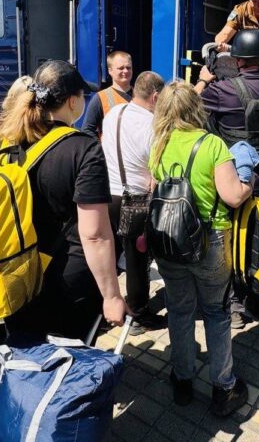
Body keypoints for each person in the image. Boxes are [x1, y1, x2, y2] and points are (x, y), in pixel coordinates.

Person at [0, 60, 127, 340]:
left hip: (17, 268)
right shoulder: (84, 149)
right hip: (68, 277)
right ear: (72, 101)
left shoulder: (10, 141)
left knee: (25, 349)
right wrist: (112, 295)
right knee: (68, 361)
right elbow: (94, 234)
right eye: (82, 95)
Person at [149, 81, 252, 417]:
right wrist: (248, 179)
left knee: (179, 311)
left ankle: (182, 380)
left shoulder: (159, 145)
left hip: (170, 242)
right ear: (197, 108)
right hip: (210, 242)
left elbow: (155, 194)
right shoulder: (213, 146)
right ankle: (223, 387)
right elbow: (233, 196)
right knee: (216, 313)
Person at [196, 28, 259, 329]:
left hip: (237, 180)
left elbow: (191, 107)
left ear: (237, 60)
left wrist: (204, 78)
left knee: (233, 242)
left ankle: (235, 307)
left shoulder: (223, 90)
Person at [101, 71, 165, 336]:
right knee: (137, 260)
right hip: (135, 200)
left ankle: (106, 305)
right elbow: (156, 172)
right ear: (155, 96)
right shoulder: (152, 125)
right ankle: (139, 315)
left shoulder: (114, 113)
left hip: (108, 194)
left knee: (109, 255)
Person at [81, 51, 133, 140]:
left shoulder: (141, 96)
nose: (125, 71)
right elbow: (87, 129)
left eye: (128, 68)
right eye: (121, 68)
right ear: (110, 71)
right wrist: (101, 149)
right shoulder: (100, 98)